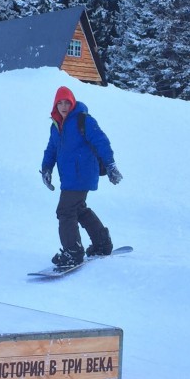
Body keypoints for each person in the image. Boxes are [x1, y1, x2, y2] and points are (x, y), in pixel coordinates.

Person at [39, 85, 121, 269]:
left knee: (65, 211)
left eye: (67, 102)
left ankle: (73, 252)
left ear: (73, 102)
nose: (63, 106)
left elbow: (101, 140)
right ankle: (102, 243)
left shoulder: (83, 120)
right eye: (59, 103)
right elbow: (51, 149)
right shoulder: (56, 125)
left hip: (82, 173)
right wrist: (46, 169)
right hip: (69, 176)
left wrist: (110, 164)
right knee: (78, 209)